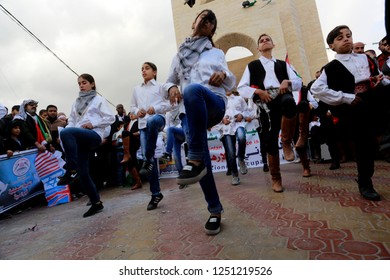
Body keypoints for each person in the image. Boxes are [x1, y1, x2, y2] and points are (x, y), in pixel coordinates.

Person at [164, 9, 236, 235]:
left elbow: (230, 77)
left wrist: (224, 76)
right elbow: (168, 82)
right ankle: (215, 211)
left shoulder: (216, 53)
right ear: (194, 22)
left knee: (194, 89)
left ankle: (193, 158)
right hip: (189, 112)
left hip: (213, 102)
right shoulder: (179, 56)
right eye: (203, 16)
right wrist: (173, 87)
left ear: (211, 29)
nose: (206, 20)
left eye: (211, 20)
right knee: (202, 165)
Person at [310, 25, 389, 201]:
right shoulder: (330, 68)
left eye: (348, 35)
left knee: (374, 142)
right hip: (354, 109)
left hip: (373, 102)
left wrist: (379, 81)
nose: (346, 39)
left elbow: (377, 76)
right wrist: (345, 97)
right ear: (331, 45)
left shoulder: (364, 59)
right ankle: (365, 183)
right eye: (340, 38)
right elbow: (317, 89)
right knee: (364, 146)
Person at [238, 33, 302, 192]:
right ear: (258, 48)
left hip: (282, 95)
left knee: (289, 102)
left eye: (268, 39)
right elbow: (242, 88)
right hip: (265, 101)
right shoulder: (252, 66)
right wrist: (258, 92)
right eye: (261, 40)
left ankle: (286, 142)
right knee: (269, 139)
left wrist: (287, 82)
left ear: (273, 45)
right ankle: (276, 179)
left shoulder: (282, 64)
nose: (265, 41)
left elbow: (299, 82)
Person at [58, 73, 115, 217]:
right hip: (80, 138)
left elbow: (110, 118)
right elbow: (72, 121)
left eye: (84, 82)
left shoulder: (98, 100)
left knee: (66, 133)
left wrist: (93, 123)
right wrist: (69, 130)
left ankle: (70, 168)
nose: (81, 85)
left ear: (92, 84)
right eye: (79, 83)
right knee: (83, 173)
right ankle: (96, 203)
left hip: (94, 134)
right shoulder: (76, 102)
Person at [130, 62, 170, 210]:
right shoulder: (136, 89)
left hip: (158, 119)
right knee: (150, 161)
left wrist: (156, 108)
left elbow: (169, 105)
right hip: (143, 125)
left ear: (154, 72)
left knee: (153, 120)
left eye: (146, 68)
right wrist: (137, 112)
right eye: (141, 69)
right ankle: (156, 194)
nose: (143, 71)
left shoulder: (160, 86)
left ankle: (147, 158)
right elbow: (132, 108)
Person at [219, 90, 248, 185]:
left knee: (241, 137)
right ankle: (235, 175)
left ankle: (241, 158)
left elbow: (247, 110)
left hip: (238, 124)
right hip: (227, 129)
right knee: (230, 153)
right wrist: (222, 119)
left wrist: (241, 115)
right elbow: (215, 115)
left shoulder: (239, 98)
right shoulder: (220, 101)